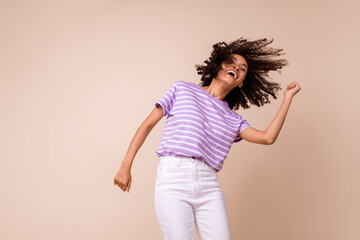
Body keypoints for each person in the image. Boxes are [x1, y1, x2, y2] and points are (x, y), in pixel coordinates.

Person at [113, 38, 301, 240]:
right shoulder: (182, 89)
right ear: (218, 64)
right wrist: (126, 165)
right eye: (231, 62)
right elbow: (147, 125)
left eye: (242, 69)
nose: (236, 68)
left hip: (209, 186)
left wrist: (287, 98)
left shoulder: (233, 119)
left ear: (241, 82)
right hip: (173, 178)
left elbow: (267, 137)